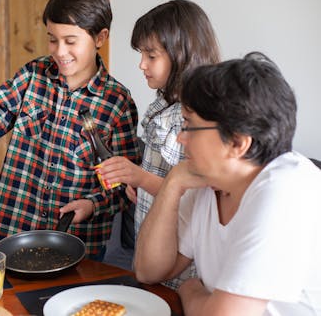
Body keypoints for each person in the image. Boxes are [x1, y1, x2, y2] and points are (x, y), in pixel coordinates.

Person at [0, 0, 140, 259]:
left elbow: (125, 186)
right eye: (53, 39)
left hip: (78, 246)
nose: (60, 51)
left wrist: (92, 204)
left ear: (100, 37)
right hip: (13, 232)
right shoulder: (33, 76)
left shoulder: (118, 103)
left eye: (71, 41)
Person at [135, 52, 321, 315]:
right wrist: (172, 184)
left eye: (189, 126)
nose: (180, 139)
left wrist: (190, 290)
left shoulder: (288, 188)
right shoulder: (212, 183)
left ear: (237, 142)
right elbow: (148, 271)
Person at [98, 0, 220, 278]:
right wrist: (141, 186)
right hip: (152, 248)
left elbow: (196, 195)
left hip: (180, 262)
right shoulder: (165, 104)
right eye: (141, 54)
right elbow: (164, 180)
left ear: (182, 55)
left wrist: (142, 179)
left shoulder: (198, 119)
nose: (142, 64)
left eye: (151, 56)